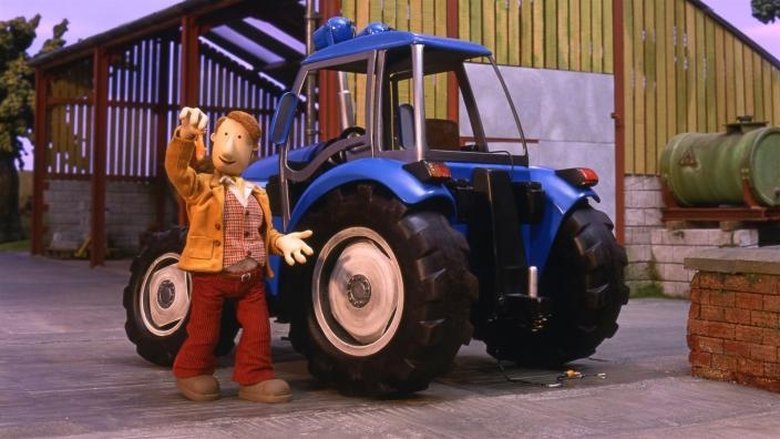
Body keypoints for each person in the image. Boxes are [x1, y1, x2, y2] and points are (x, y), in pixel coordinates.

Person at [165, 107, 313, 403]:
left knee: (258, 330)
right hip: (212, 275)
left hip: (251, 279)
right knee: (205, 330)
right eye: (225, 136)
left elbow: (263, 233)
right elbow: (178, 171)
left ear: (252, 150)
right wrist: (185, 137)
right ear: (214, 139)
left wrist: (281, 242)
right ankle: (190, 371)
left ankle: (255, 377)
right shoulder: (201, 187)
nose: (230, 147)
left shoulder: (257, 194)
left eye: (240, 140)